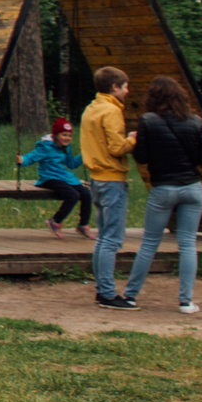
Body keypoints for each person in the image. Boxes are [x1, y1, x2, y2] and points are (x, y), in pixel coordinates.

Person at [115, 76, 202, 312]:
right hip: (192, 187)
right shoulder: (196, 121)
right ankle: (186, 300)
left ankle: (130, 295)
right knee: (188, 244)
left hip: (163, 188)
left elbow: (142, 157)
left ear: (154, 97)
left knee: (150, 242)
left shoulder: (148, 121)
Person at [80, 66, 136, 306]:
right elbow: (116, 148)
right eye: (124, 86)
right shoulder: (112, 111)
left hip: (96, 177)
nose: (127, 91)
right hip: (113, 179)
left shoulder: (91, 109)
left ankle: (102, 287)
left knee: (103, 238)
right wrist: (132, 139)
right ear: (114, 87)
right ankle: (107, 292)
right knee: (112, 239)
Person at [18, 118, 91, 240]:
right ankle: (55, 221)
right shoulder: (46, 147)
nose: (67, 138)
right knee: (73, 195)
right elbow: (32, 157)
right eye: (64, 135)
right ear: (56, 135)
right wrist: (22, 160)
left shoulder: (66, 147)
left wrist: (84, 155)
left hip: (64, 177)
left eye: (69, 135)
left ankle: (83, 225)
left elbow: (71, 164)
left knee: (86, 194)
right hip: (49, 177)